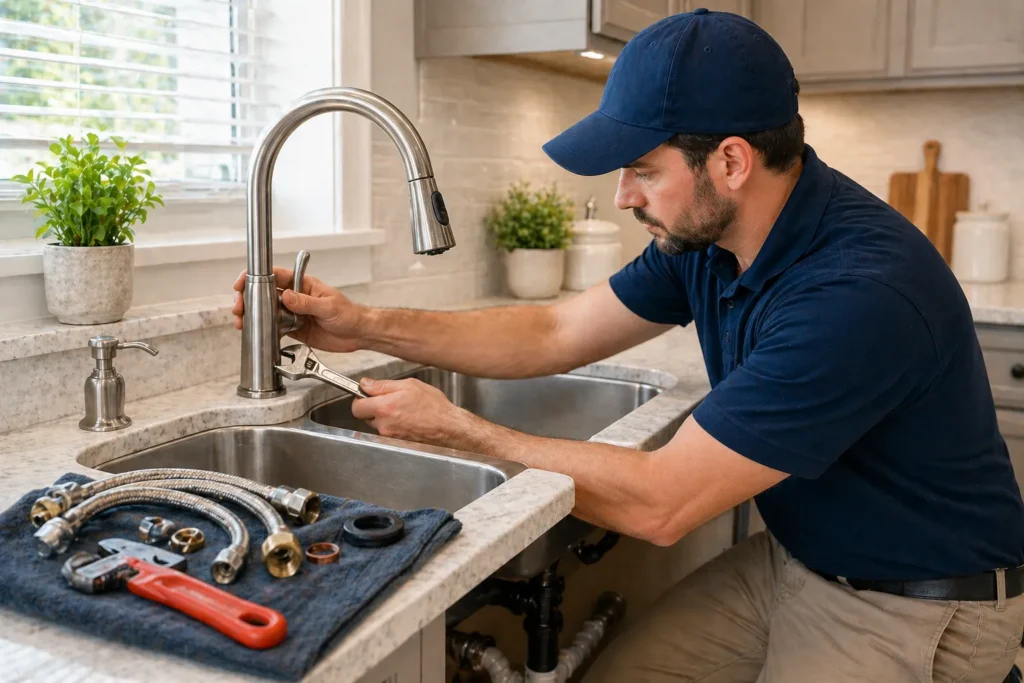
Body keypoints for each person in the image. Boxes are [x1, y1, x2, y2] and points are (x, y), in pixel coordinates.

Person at [232, 9, 1024, 682]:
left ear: (732, 161)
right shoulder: (712, 239)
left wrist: (462, 429)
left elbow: (662, 502)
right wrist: (361, 323)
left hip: (914, 603)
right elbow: (555, 328)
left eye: (642, 169)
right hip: (803, 555)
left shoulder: (855, 294)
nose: (623, 196)